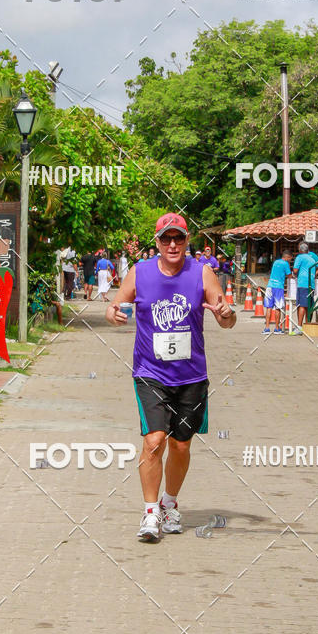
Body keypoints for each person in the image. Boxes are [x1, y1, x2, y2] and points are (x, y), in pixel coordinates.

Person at [105, 212, 236, 542]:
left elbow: (227, 320)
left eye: (178, 238)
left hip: (191, 376)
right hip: (150, 373)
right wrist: (113, 313)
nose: (173, 244)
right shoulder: (140, 272)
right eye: (166, 239)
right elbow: (114, 306)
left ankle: (170, 503)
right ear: (158, 242)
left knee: (180, 444)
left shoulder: (202, 273)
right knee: (154, 441)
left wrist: (226, 314)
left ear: (187, 240)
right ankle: (150, 513)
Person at [293, 242, 318, 332]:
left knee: (301, 305)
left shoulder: (299, 257)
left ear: (300, 250)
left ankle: (299, 327)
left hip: (302, 283)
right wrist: (313, 275)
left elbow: (295, 270)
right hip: (311, 284)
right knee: (309, 304)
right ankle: (307, 325)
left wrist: (294, 273)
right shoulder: (312, 259)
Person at [262, 253, 291, 335]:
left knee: (269, 307)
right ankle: (277, 329)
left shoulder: (276, 262)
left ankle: (267, 328)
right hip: (278, 287)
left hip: (270, 286)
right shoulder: (285, 264)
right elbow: (289, 275)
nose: (290, 260)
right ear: (287, 257)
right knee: (278, 308)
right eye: (290, 258)